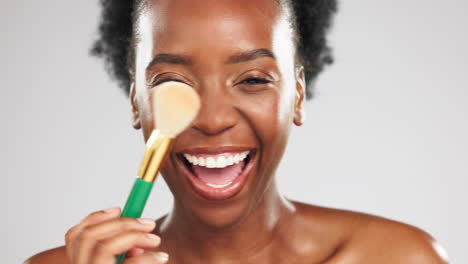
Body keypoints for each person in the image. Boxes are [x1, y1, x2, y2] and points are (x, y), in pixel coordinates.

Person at [25, 0, 449, 263]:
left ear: (297, 95)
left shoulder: (398, 258)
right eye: (173, 81)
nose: (211, 119)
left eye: (252, 80)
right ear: (137, 101)